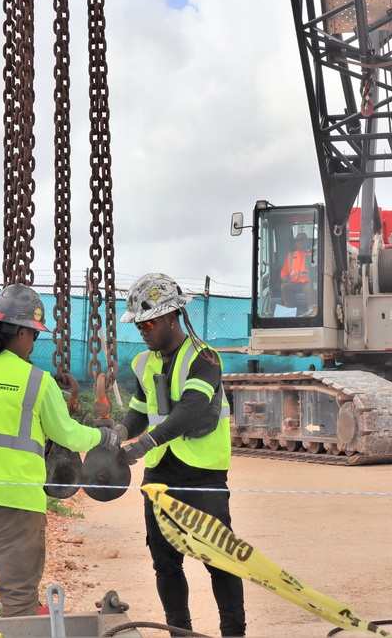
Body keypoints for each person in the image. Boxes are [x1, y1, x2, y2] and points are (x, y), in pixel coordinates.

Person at [0, 284, 122, 618]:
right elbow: (67, 434)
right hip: (12, 503)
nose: (34, 342)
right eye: (34, 334)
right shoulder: (36, 381)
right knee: (19, 601)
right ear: (20, 332)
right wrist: (102, 438)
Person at [117, 272, 246, 637]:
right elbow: (140, 409)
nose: (142, 329)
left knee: (221, 562)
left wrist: (145, 443)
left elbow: (190, 409)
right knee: (166, 564)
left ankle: (234, 633)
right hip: (159, 476)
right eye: (139, 324)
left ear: (171, 317)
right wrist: (120, 432)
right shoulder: (145, 363)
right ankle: (181, 633)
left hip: (202, 475)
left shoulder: (204, 357)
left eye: (149, 322)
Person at [280, 232, 313, 314]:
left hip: (307, 283)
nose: (299, 242)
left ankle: (312, 311)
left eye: (302, 240)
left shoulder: (312, 254)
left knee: (311, 288)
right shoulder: (290, 255)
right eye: (297, 240)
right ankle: (290, 312)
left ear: (306, 241)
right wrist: (284, 276)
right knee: (284, 287)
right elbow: (285, 269)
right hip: (294, 283)